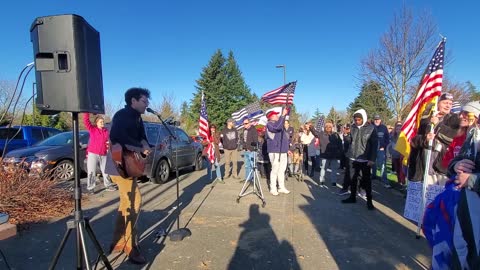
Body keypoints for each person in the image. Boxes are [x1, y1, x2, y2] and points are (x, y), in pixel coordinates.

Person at [105, 87, 151, 264]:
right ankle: (131, 247)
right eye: (144, 101)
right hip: (119, 166)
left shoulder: (138, 118)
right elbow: (118, 138)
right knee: (134, 201)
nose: (146, 104)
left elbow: (142, 137)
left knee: (126, 203)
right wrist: (140, 148)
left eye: (147, 101)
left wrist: (146, 145)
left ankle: (117, 242)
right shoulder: (121, 115)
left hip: (130, 166)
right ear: (133, 100)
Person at [408, 92, 460, 186]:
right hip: (421, 167)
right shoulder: (426, 118)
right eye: (445, 103)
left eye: (450, 103)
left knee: (436, 199)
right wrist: (425, 139)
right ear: (438, 103)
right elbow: (414, 140)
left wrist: (438, 125)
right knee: (419, 198)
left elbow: (453, 138)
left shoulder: (455, 119)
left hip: (439, 170)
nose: (448, 106)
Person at [341, 108, 377, 210]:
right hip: (353, 158)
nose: (357, 121)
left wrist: (372, 159)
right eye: (355, 119)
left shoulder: (371, 128)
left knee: (366, 181)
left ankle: (369, 201)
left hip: (365, 159)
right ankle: (352, 197)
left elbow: (374, 145)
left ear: (363, 119)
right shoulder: (352, 128)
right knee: (353, 179)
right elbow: (349, 141)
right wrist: (346, 135)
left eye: (359, 120)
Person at [83, 112, 115, 193]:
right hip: (93, 154)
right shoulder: (92, 129)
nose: (102, 123)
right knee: (91, 171)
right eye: (100, 122)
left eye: (103, 122)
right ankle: (91, 188)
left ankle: (108, 185)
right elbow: (86, 121)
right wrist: (87, 112)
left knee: (106, 171)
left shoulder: (106, 131)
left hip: (104, 154)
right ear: (96, 123)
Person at [266, 108, 290, 195]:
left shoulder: (280, 124)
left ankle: (281, 187)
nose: (277, 115)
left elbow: (285, 138)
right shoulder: (270, 124)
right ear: (271, 117)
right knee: (275, 170)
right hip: (275, 150)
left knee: (282, 170)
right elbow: (276, 128)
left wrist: (287, 150)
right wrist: (283, 116)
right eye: (275, 114)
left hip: (282, 151)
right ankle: (273, 188)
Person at [311, 120, 343, 187]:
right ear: (324, 127)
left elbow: (340, 144)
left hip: (334, 155)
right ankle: (321, 181)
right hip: (324, 155)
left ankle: (333, 182)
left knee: (334, 170)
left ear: (332, 128)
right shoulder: (321, 134)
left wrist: (340, 154)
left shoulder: (336, 135)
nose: (328, 128)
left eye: (329, 127)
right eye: (327, 127)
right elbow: (315, 133)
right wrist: (311, 127)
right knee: (323, 169)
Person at [372, 114, 391, 188]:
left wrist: (383, 146)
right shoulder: (371, 127)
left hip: (381, 150)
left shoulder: (384, 128)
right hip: (373, 149)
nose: (376, 120)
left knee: (382, 165)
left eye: (378, 119)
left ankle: (384, 180)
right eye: (375, 119)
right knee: (373, 163)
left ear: (380, 120)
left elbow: (387, 138)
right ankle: (373, 176)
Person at [388, 121, 406, 189]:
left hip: (401, 156)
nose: (398, 129)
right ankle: (399, 182)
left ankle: (403, 183)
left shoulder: (403, 136)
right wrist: (391, 152)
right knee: (397, 170)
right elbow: (390, 145)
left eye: (400, 127)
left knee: (402, 171)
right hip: (394, 155)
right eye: (397, 127)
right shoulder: (393, 136)